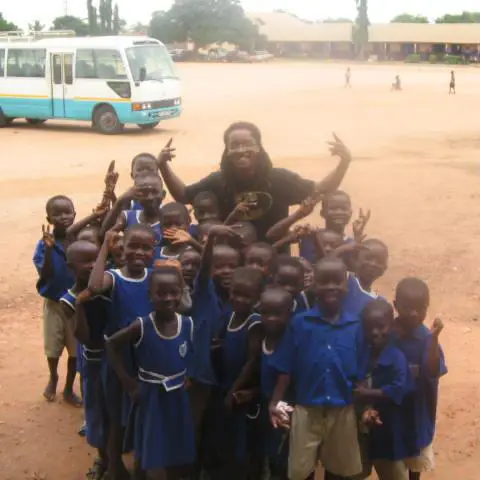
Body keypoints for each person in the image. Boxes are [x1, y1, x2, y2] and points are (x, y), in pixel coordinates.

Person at [156, 123, 353, 242]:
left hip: (274, 256)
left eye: (247, 144)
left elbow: (321, 189)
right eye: (234, 146)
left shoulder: (280, 179)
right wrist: (163, 166)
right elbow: (183, 195)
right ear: (227, 151)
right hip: (233, 262)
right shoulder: (218, 181)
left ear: (259, 147)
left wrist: (344, 162)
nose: (241, 150)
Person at [269, 257, 363, 480]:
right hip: (306, 409)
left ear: (347, 286)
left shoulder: (356, 327)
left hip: (343, 409)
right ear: (313, 285)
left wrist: (364, 407)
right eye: (324, 281)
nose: (331, 286)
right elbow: (286, 368)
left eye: (337, 281)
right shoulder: (300, 324)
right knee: (301, 470)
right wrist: (275, 401)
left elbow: (361, 371)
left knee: (339, 470)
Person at [106, 266, 196, 479]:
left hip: (177, 397)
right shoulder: (142, 326)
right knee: (147, 447)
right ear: (150, 295)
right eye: (161, 293)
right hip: (151, 397)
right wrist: (127, 382)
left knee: (175, 444)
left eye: (173, 292)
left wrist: (188, 375)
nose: (167, 298)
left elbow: (190, 353)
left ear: (181, 294)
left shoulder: (187, 324)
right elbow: (111, 345)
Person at [88, 225, 156, 480]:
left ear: (154, 249)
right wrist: (105, 245)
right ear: (122, 248)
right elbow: (94, 287)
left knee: (142, 416)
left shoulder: (154, 276)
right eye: (132, 246)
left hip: (147, 357)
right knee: (116, 417)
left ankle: (141, 467)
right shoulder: (114, 277)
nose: (138, 252)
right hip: (119, 359)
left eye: (146, 247)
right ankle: (115, 466)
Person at [205, 267, 264, 479]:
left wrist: (234, 389)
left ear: (257, 299)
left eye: (246, 296)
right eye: (235, 293)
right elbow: (227, 343)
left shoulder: (254, 322)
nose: (239, 299)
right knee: (223, 437)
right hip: (224, 384)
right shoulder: (229, 316)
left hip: (240, 389)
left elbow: (252, 361)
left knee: (241, 443)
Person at [60, 241, 111, 480]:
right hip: (94, 362)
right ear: (71, 267)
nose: (93, 266)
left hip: (118, 358)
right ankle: (104, 458)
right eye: (86, 262)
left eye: (96, 260)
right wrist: (81, 304)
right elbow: (83, 337)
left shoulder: (108, 285)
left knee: (117, 409)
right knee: (97, 410)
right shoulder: (68, 300)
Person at [393, 278, 447, 480]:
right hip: (393, 411)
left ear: (427, 307)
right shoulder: (387, 333)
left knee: (415, 460)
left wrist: (434, 339)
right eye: (408, 308)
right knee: (393, 460)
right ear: (396, 306)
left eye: (420, 308)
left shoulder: (427, 338)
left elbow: (433, 370)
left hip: (418, 411)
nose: (414, 313)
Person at [355, 299, 412, 480]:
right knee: (356, 471)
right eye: (369, 327)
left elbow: (400, 388)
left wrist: (367, 393)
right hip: (362, 429)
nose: (375, 333)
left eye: (381, 327)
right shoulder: (360, 354)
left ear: (391, 325)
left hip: (388, 429)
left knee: (393, 472)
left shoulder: (396, 358)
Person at [33, 195, 80, 406]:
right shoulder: (43, 246)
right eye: (57, 214)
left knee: (75, 350)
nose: (63, 217)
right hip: (54, 305)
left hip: (76, 306)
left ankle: (69, 388)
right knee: (53, 348)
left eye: (67, 212)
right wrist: (50, 249)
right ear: (48, 218)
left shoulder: (81, 240)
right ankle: (53, 377)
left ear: (75, 214)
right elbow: (46, 274)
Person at [259, 287, 294, 480]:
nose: (271, 318)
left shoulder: (286, 339)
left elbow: (285, 374)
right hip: (267, 403)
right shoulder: (264, 336)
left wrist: (274, 403)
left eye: (277, 314)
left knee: (280, 455)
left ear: (288, 315)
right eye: (265, 313)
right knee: (270, 452)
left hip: (282, 406)